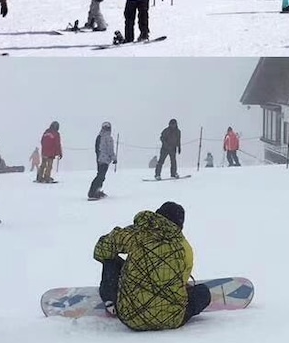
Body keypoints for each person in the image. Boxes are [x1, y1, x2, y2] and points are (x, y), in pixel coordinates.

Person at [93, 201, 211, 330]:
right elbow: (181, 282)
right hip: (172, 319)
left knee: (110, 259)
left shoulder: (135, 234)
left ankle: (111, 301)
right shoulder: (184, 247)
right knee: (203, 292)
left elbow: (100, 250)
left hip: (129, 317)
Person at [89, 121, 117, 199]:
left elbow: (97, 148)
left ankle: (95, 190)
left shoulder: (99, 137)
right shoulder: (108, 138)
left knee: (100, 175)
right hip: (104, 159)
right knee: (101, 176)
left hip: (99, 159)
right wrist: (114, 158)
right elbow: (110, 150)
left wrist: (98, 157)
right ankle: (93, 192)